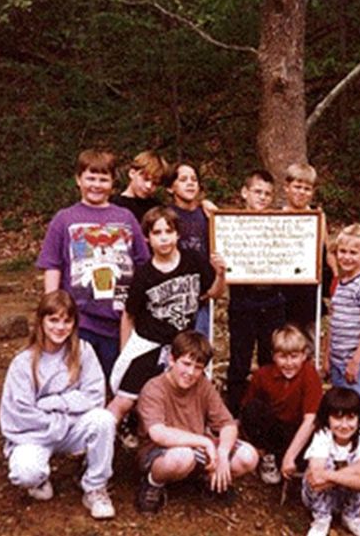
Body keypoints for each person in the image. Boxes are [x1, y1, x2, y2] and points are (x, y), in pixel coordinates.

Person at [0, 290, 118, 519]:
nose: (60, 327)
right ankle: (39, 481)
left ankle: (95, 487)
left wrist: (55, 402)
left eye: (67, 320)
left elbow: (94, 396)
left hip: (70, 427)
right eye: (53, 320)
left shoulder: (83, 351)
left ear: (74, 323)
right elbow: (20, 413)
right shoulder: (23, 362)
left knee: (103, 419)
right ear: (41, 321)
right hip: (35, 433)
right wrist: (62, 417)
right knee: (26, 472)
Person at [37, 149, 150, 383]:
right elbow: (52, 265)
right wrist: (53, 308)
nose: (96, 185)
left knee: (116, 378)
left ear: (112, 183)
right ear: (78, 179)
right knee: (77, 377)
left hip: (120, 320)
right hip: (79, 319)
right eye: (90, 178)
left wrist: (139, 307)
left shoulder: (126, 218)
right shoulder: (64, 219)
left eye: (103, 179)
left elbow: (143, 264)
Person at [105, 206, 226, 424]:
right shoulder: (144, 275)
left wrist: (220, 275)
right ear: (147, 238)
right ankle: (99, 443)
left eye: (168, 232)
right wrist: (126, 353)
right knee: (123, 402)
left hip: (183, 348)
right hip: (150, 344)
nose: (164, 239)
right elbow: (129, 315)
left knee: (192, 400)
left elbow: (213, 293)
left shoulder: (194, 261)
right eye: (157, 233)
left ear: (177, 234)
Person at [131, 330, 258, 513]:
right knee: (182, 456)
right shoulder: (154, 388)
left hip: (198, 450)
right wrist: (205, 441)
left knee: (248, 457)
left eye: (198, 367)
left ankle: (209, 481)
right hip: (161, 453)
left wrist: (222, 453)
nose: (190, 373)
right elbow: (158, 434)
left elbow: (227, 424)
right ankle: (153, 484)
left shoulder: (203, 385)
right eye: (186, 364)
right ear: (172, 360)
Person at [224, 170, 287, 414]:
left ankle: (268, 413)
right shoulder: (231, 225)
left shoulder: (280, 226)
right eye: (257, 192)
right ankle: (234, 415)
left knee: (270, 361)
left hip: (273, 301)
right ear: (244, 192)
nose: (262, 197)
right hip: (242, 302)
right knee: (239, 360)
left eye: (268, 194)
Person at [239, 324, 322, 487]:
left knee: (302, 463)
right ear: (273, 356)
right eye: (283, 357)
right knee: (253, 409)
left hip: (300, 431)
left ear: (304, 355)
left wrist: (290, 455)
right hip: (275, 431)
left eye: (294, 356)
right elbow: (247, 410)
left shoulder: (309, 374)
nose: (289, 363)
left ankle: (292, 460)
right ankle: (267, 457)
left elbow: (311, 419)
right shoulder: (262, 375)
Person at [327, 223, 360, 438]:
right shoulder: (339, 283)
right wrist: (327, 357)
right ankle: (345, 460)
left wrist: (356, 360)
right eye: (342, 251)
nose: (347, 257)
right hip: (338, 361)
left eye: (353, 252)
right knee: (342, 412)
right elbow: (333, 322)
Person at [302, 387, 360, 536]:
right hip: (317, 498)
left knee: (347, 471)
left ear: (358, 418)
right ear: (327, 418)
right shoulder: (323, 435)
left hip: (346, 496)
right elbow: (315, 481)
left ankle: (352, 516)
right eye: (337, 418)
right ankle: (321, 518)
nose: (344, 425)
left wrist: (329, 476)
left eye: (350, 418)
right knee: (329, 463)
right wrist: (356, 469)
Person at [277, 162, 333, 333]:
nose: (301, 192)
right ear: (287, 187)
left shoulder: (317, 216)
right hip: (282, 288)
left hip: (308, 288)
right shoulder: (277, 215)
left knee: (307, 340)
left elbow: (327, 250)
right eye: (297, 187)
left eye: (307, 189)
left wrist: (337, 281)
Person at [164, 161, 216, 338]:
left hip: (202, 294)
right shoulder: (166, 215)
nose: (190, 183)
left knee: (199, 345)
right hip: (173, 294)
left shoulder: (207, 214)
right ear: (171, 188)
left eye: (194, 179)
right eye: (183, 179)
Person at [110, 150, 167, 223]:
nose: (149, 186)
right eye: (146, 179)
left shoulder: (157, 208)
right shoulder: (114, 204)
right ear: (132, 173)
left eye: (155, 183)